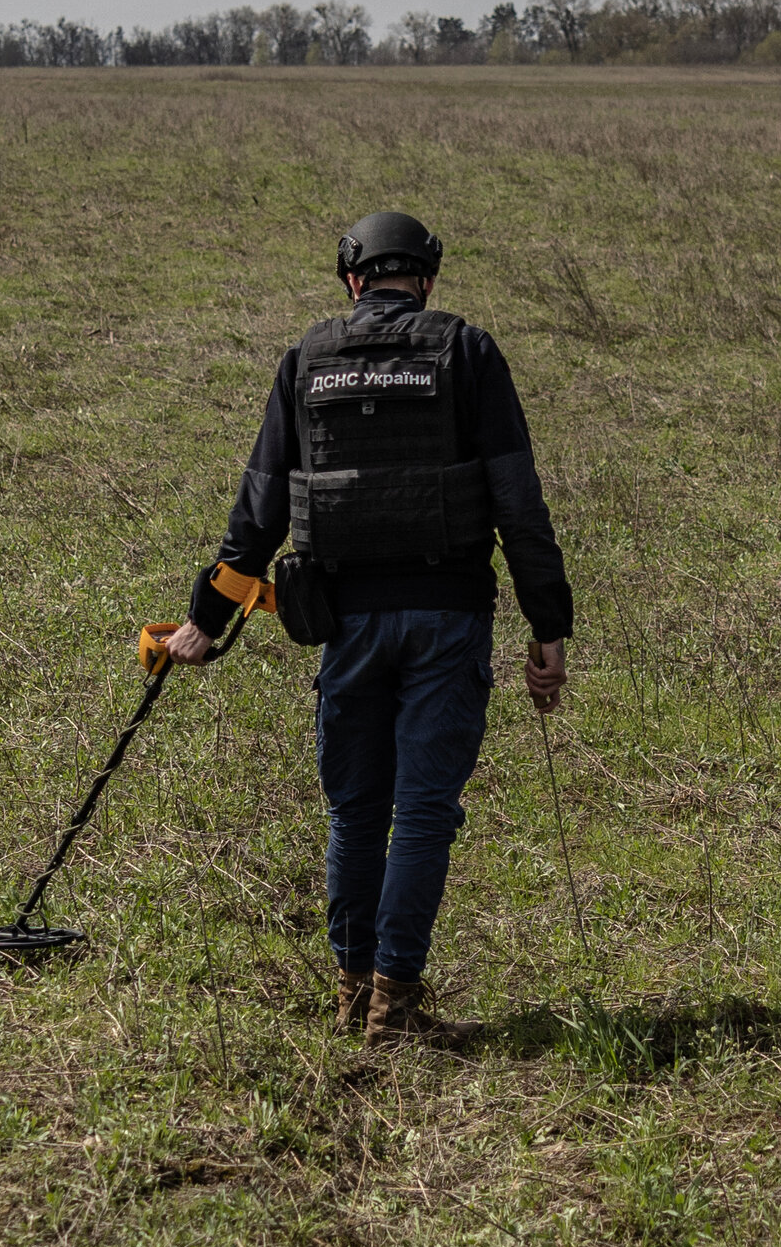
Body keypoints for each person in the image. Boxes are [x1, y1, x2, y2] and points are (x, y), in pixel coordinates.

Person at [163, 212, 573, 1046]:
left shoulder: (306, 359)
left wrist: (203, 622)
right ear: (425, 278)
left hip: (345, 622)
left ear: (353, 279)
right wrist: (548, 625)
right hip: (448, 618)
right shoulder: (468, 351)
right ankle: (395, 1005)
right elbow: (519, 507)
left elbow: (258, 512)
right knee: (422, 810)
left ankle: (354, 991)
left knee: (356, 810)